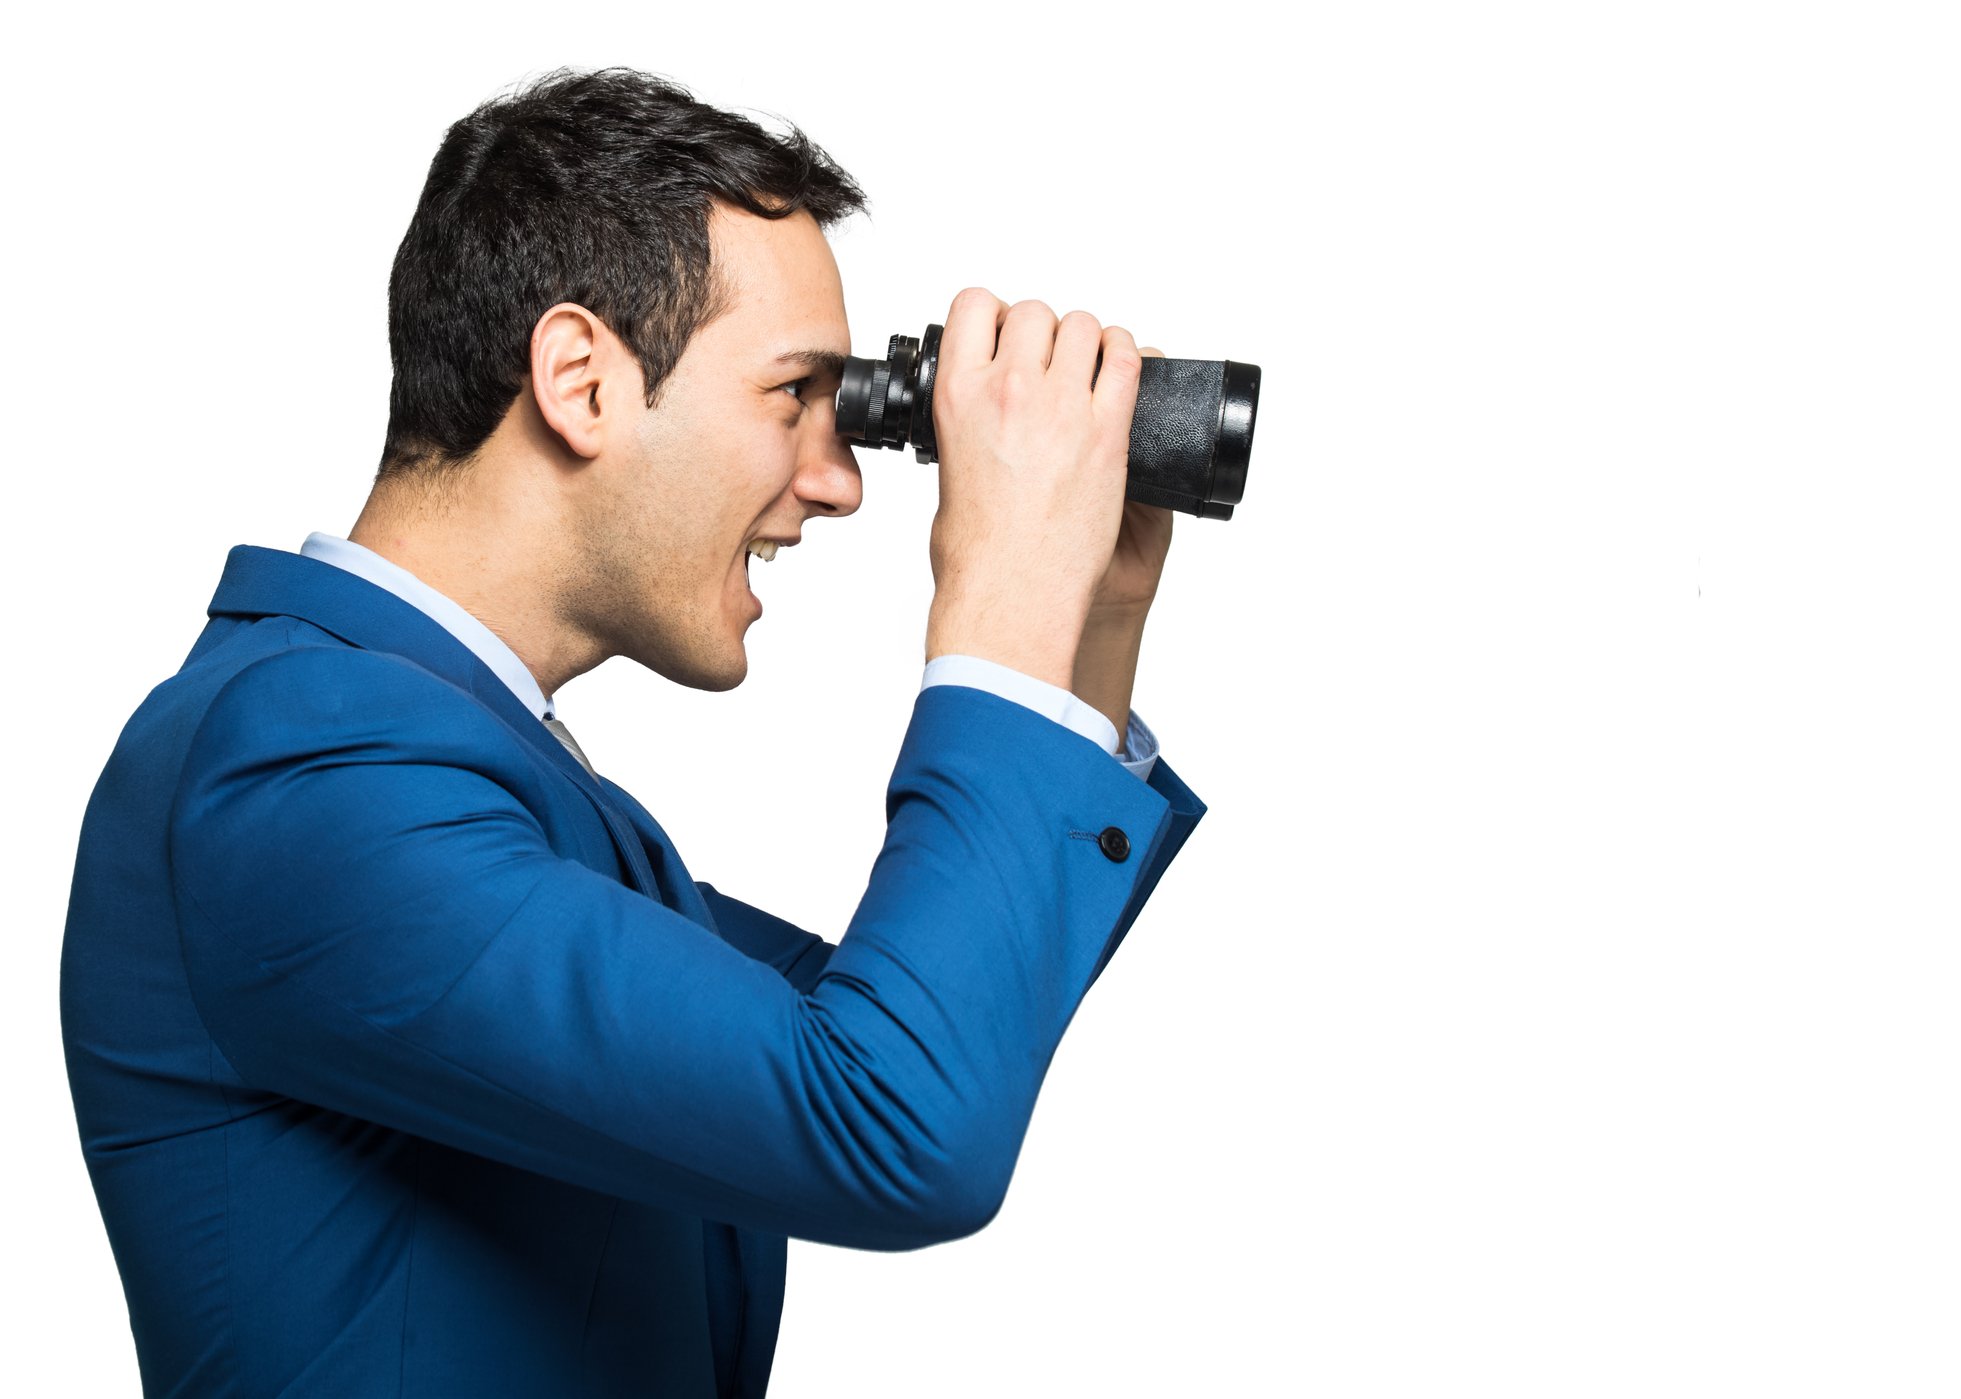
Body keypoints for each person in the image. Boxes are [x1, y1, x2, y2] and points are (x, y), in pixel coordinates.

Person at [60, 66, 1206, 1397]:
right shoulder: (302, 775)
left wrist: (1083, 625)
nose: (836, 485)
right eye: (796, 396)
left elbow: (933, 1018)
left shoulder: (446, 769)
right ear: (582, 383)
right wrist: (997, 591)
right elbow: (894, 1116)